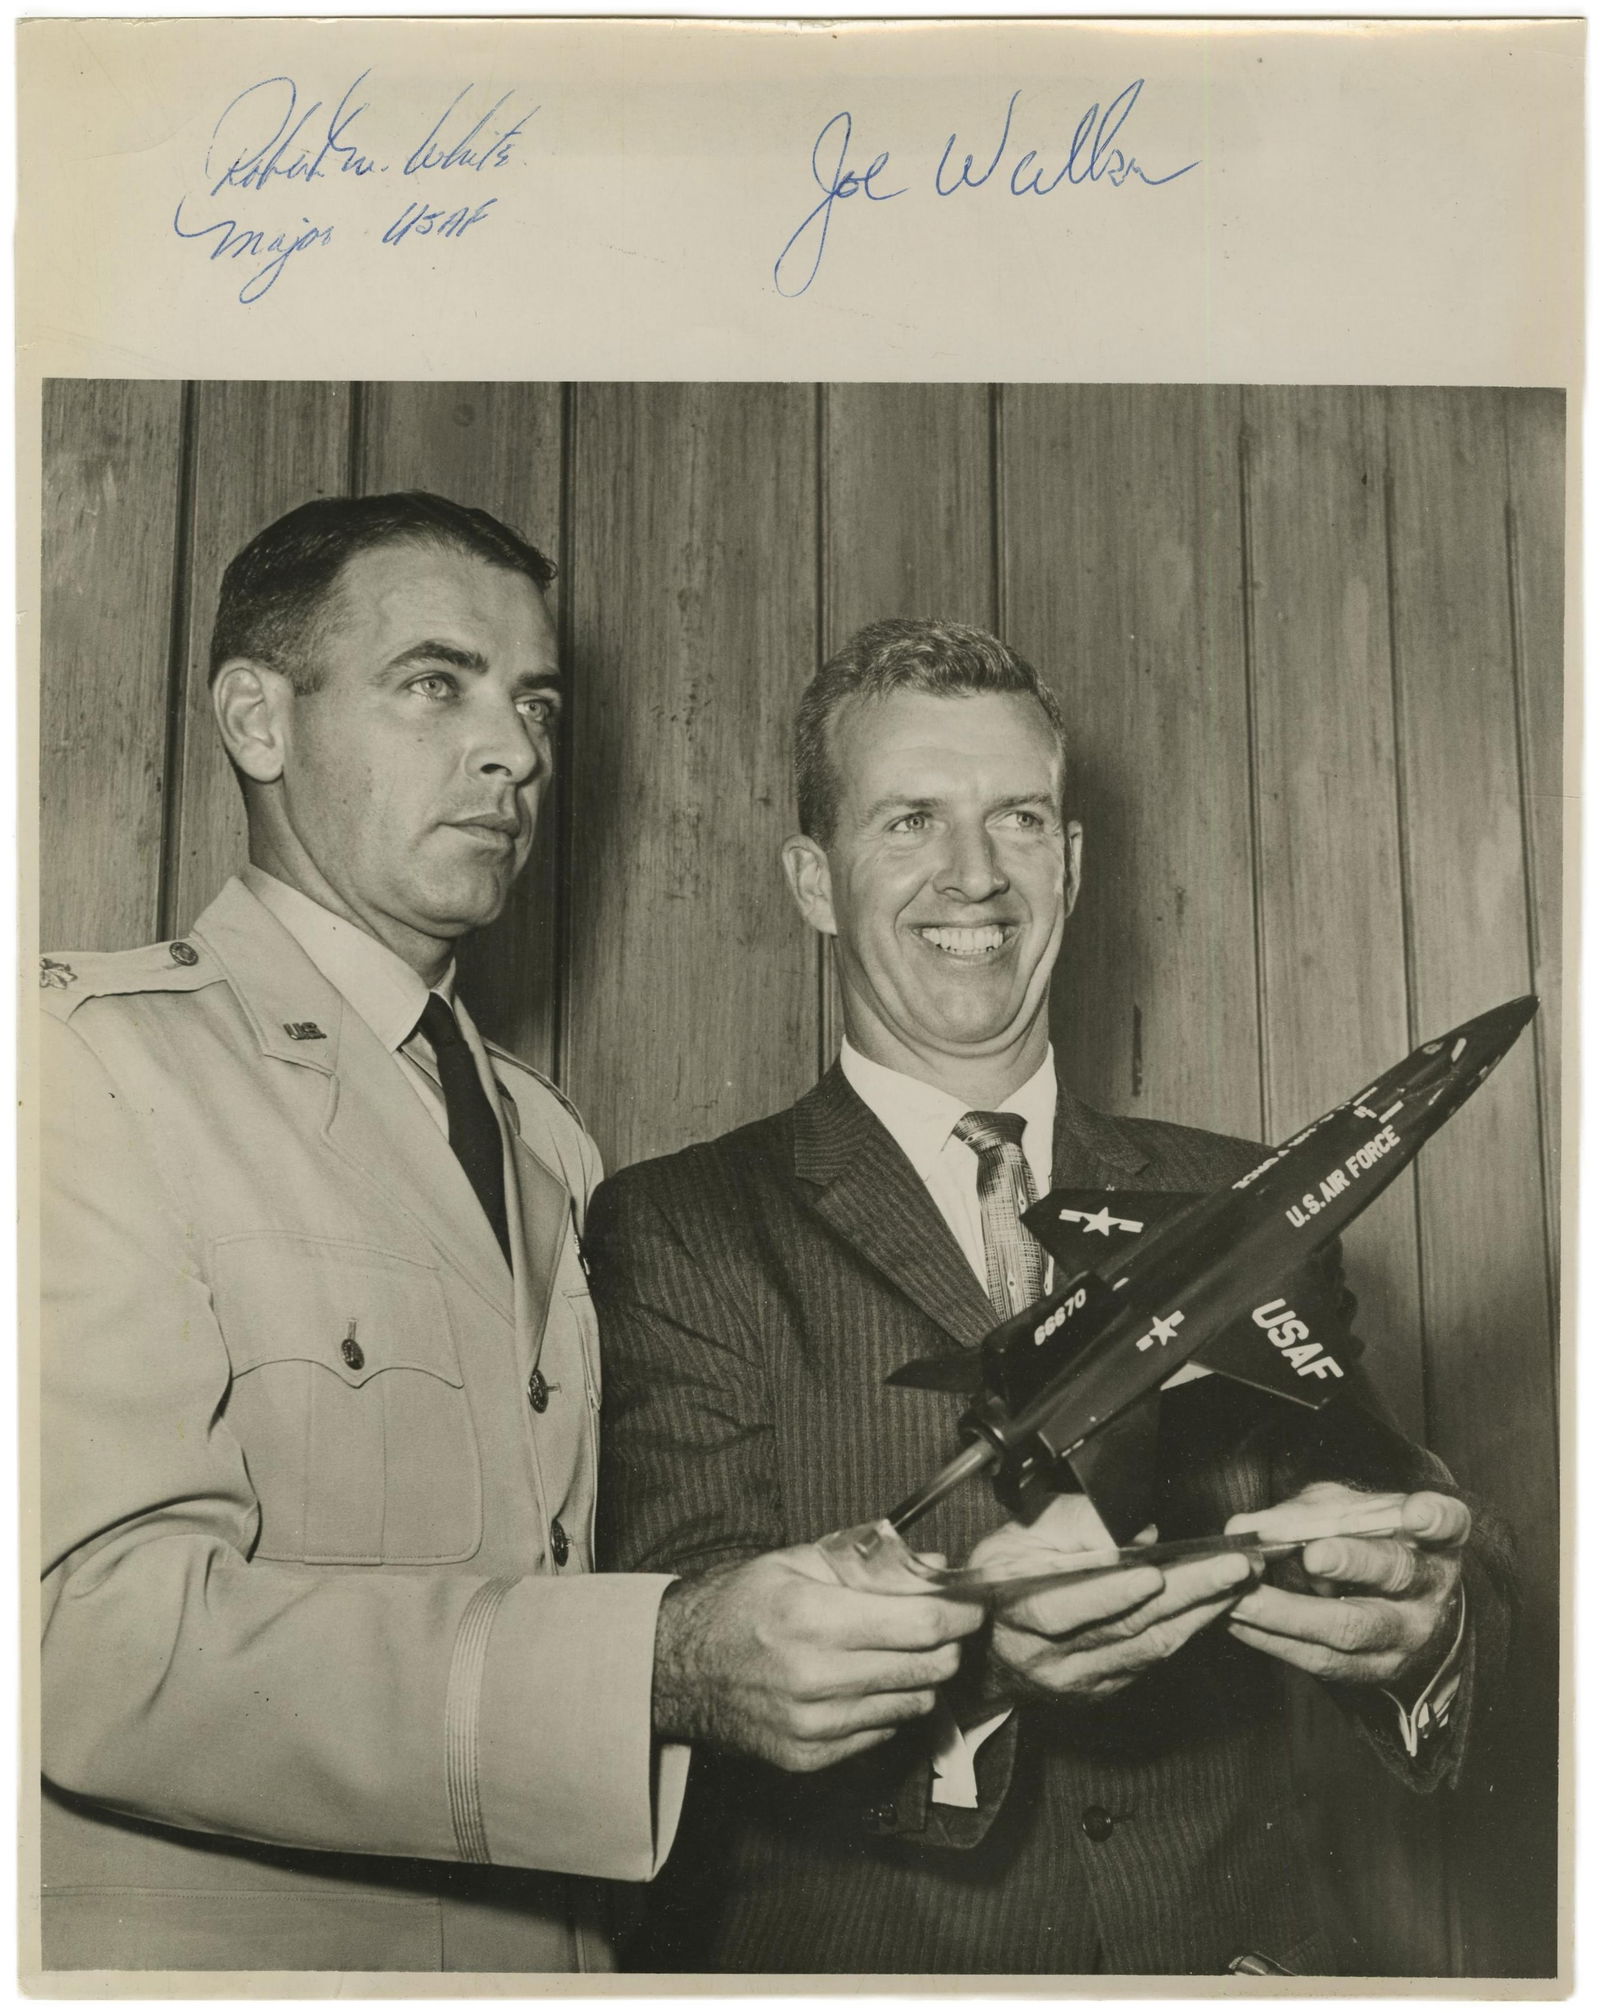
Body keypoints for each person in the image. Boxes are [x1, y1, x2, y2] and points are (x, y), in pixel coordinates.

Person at [38, 502, 982, 1974]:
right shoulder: (83, 1064)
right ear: (256, 718)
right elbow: (91, 1651)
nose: (516, 751)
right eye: (437, 683)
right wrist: (654, 1664)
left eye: (533, 702)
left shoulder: (545, 1142)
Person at [589, 617, 1514, 1975]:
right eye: (910, 819)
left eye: (1019, 819)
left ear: (1071, 867)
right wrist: (981, 1665)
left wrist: (1422, 1624)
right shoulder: (680, 1226)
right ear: (813, 879)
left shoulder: (1241, 1203)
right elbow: (694, 1672)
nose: (976, 875)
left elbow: (1416, 1529)